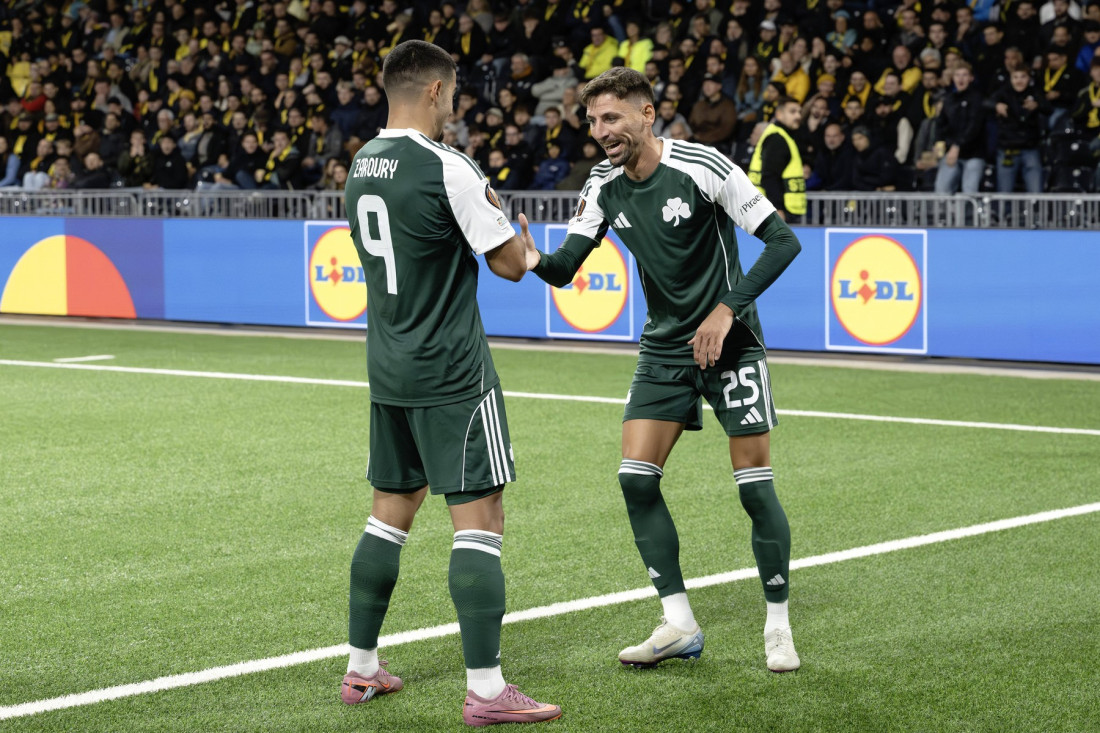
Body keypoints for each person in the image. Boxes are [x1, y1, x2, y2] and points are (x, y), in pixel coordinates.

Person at [526, 67, 802, 674]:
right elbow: (565, 267)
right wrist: (527, 255)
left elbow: (783, 241)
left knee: (754, 489)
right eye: (592, 121)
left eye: (612, 117)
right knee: (636, 480)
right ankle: (679, 624)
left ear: (647, 114)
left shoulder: (703, 166)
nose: (600, 131)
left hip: (732, 343)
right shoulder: (601, 184)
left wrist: (726, 310)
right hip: (665, 349)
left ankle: (778, 625)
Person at [339, 40, 561, 728]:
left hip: (388, 367)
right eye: (455, 92)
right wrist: (521, 238)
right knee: (481, 518)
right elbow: (510, 265)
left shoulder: (360, 165)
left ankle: (362, 667)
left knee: (389, 511)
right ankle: (487, 688)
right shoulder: (447, 166)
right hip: (452, 372)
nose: (456, 104)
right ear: (435, 89)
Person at [747, 96, 807, 222]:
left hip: (767, 209)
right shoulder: (777, 138)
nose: (798, 116)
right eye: (792, 112)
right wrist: (777, 208)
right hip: (775, 211)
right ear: (779, 114)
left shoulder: (781, 135)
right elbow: (770, 176)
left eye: (799, 112)